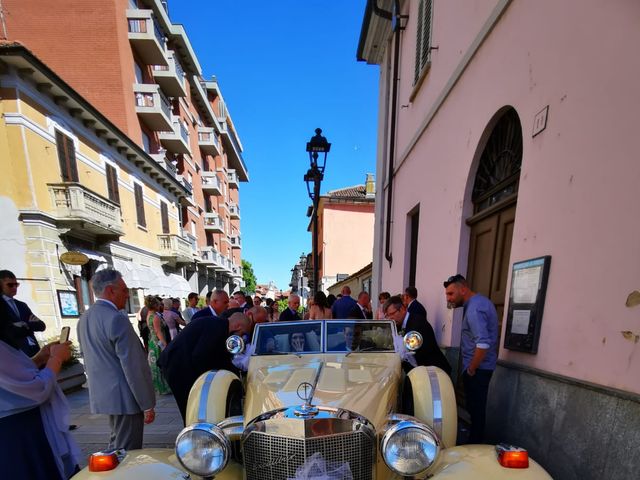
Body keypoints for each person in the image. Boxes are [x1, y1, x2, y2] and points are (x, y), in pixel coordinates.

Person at [0, 299, 80, 480]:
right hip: (20, 433)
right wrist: (56, 360)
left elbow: (15, 375)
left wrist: (40, 358)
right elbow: (35, 389)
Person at [77, 269, 155, 451]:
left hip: (105, 394)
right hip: (125, 397)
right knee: (127, 452)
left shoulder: (85, 317)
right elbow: (133, 366)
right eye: (124, 290)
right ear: (111, 290)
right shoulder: (116, 319)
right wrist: (147, 404)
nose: (127, 295)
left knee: (117, 444)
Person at [158, 303, 252, 423]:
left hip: (181, 363)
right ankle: (192, 434)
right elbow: (201, 357)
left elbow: (218, 357)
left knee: (191, 405)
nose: (241, 337)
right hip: (177, 366)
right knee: (189, 406)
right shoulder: (218, 328)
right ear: (238, 326)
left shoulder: (218, 325)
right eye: (243, 333)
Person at [444, 274, 498, 444]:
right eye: (447, 294)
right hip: (480, 368)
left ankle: (475, 447)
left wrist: (471, 369)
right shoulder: (478, 303)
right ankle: (475, 442)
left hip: (478, 370)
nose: (449, 298)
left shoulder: (475, 308)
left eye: (451, 294)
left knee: (476, 410)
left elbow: (482, 344)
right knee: (475, 409)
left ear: (463, 289)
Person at [384, 295, 451, 375]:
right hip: (418, 371)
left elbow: (412, 354)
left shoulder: (417, 324)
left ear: (402, 309)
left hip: (434, 373)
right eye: (387, 315)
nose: (390, 318)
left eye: (392, 314)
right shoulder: (400, 324)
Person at [0, 269, 46, 356]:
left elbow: (41, 326)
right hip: (17, 354)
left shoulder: (22, 305)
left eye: (16, 284)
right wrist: (30, 325)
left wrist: (25, 324)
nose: (14, 287)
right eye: (10, 285)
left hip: (35, 351)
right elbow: (8, 332)